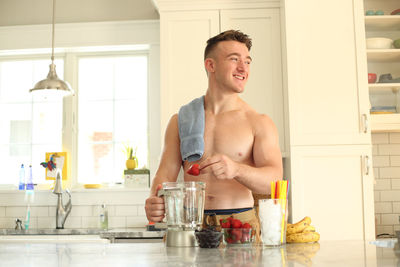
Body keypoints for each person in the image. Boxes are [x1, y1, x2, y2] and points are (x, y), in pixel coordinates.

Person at [145, 30, 283, 240]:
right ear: (211, 65)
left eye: (247, 61)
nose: (243, 68)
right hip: (188, 226)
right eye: (234, 59)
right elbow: (164, 175)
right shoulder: (181, 120)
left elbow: (274, 181)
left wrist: (236, 169)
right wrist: (154, 201)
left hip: (238, 225)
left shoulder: (258, 122)